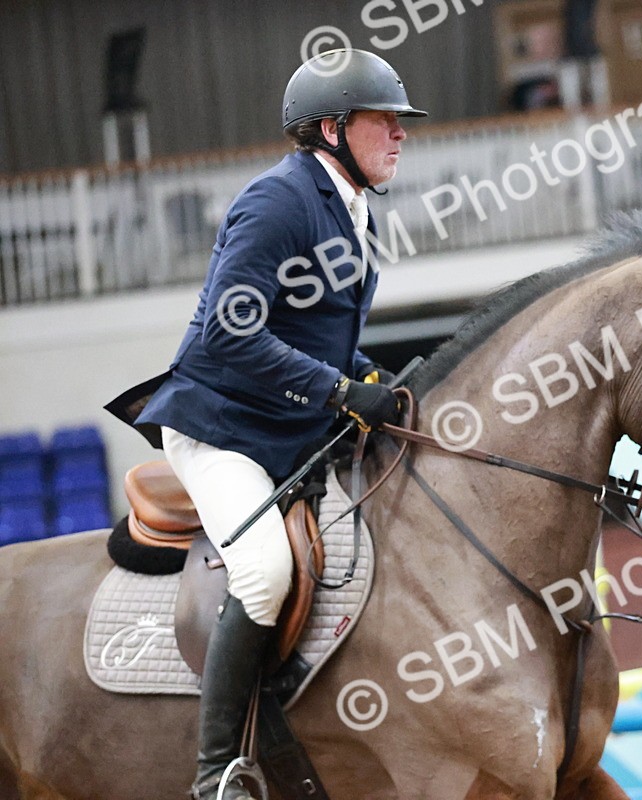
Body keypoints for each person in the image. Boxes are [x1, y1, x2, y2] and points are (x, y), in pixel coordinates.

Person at [106, 49, 426, 800]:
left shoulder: (351, 209)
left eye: (399, 122)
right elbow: (230, 333)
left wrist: (370, 379)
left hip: (285, 426)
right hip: (223, 426)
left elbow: (315, 336)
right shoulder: (279, 201)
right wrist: (339, 391)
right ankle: (217, 774)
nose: (400, 133)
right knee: (263, 570)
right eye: (384, 120)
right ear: (332, 129)